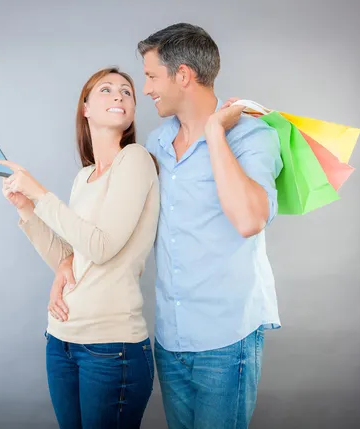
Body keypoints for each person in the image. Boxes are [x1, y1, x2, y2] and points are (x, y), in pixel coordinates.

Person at [50, 23, 284, 428]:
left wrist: (214, 133)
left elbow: (249, 220)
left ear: (183, 75)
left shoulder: (252, 136)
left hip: (227, 338)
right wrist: (66, 262)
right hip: (170, 338)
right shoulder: (155, 145)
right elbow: (109, 219)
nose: (146, 89)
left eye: (152, 76)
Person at [0, 67, 160, 429]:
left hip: (110, 348)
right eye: (106, 89)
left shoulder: (135, 161)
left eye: (126, 92)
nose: (118, 95)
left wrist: (41, 194)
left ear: (132, 110)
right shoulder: (83, 178)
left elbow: (100, 248)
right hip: (61, 340)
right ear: (84, 108)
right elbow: (67, 258)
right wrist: (26, 207)